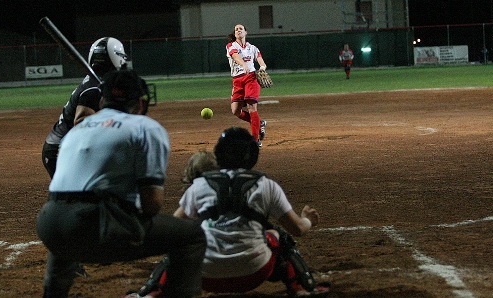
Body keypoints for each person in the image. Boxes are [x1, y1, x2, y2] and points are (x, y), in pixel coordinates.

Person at [36, 69, 207, 298]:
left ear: (101, 100)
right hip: (96, 225)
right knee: (192, 236)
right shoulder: (146, 127)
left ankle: (53, 294)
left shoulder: (75, 131)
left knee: (68, 223)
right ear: (139, 102)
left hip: (49, 224)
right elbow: (152, 205)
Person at [132, 127, 331, 298]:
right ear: (252, 155)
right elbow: (298, 229)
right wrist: (307, 220)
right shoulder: (266, 185)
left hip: (203, 276)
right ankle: (301, 286)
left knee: (181, 244)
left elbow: (173, 230)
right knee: (279, 236)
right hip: (255, 272)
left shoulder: (200, 185)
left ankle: (152, 291)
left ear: (219, 154)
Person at [41, 37, 128, 179]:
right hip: (61, 150)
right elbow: (81, 121)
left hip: (67, 147)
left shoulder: (99, 82)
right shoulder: (94, 88)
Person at [226, 24, 268, 147]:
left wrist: (262, 67)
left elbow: (260, 59)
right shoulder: (231, 46)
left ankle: (255, 140)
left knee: (251, 108)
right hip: (237, 80)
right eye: (236, 29)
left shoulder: (252, 48)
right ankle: (259, 123)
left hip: (251, 78)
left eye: (241, 29)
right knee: (235, 111)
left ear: (246, 32)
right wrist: (243, 64)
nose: (238, 30)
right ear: (234, 34)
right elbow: (235, 55)